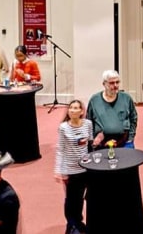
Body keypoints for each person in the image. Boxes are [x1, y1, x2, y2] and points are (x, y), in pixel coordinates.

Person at [54, 99, 93, 234]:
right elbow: (60, 150)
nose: (73, 110)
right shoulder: (63, 127)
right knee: (71, 199)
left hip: (84, 168)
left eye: (76, 108)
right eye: (71, 108)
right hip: (69, 169)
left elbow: (90, 145)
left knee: (81, 197)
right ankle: (71, 225)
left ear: (82, 111)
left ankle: (79, 221)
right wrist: (59, 170)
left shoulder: (88, 124)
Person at [88, 69, 138, 150]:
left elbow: (133, 118)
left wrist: (130, 138)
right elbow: (89, 121)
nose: (115, 85)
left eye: (117, 82)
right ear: (104, 84)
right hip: (101, 143)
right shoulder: (94, 100)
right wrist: (93, 139)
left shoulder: (126, 98)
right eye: (111, 83)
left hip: (124, 142)